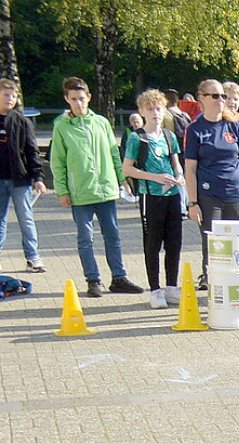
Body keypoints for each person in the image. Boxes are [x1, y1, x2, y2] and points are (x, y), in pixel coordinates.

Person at [50, 77, 143, 297]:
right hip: (80, 192)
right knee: (85, 238)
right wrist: (62, 190)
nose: (78, 103)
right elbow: (58, 161)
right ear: (67, 99)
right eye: (73, 99)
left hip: (105, 189)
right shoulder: (61, 126)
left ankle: (119, 277)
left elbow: (113, 152)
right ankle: (93, 279)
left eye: (82, 99)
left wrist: (123, 179)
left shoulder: (101, 122)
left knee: (113, 235)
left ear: (89, 97)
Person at [183, 78, 239, 287]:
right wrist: (192, 202)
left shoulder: (235, 125)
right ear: (202, 98)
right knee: (211, 241)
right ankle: (211, 281)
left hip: (235, 193)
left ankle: (235, 285)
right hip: (208, 194)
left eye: (223, 95)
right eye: (215, 95)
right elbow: (190, 168)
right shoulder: (195, 129)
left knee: (235, 242)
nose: (220, 100)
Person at [120, 89, 185, 308]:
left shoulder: (169, 136)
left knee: (174, 241)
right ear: (142, 111)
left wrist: (179, 175)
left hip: (172, 194)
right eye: (150, 109)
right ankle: (155, 289)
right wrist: (156, 177)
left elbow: (175, 161)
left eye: (158, 108)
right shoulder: (137, 138)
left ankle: (171, 286)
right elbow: (128, 169)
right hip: (151, 195)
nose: (155, 113)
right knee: (153, 242)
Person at [0, 77, 48, 274]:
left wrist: (38, 177)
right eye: (5, 95)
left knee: (26, 218)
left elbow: (32, 150)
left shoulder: (22, 121)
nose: (10, 99)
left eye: (13, 96)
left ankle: (33, 257)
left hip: (20, 179)